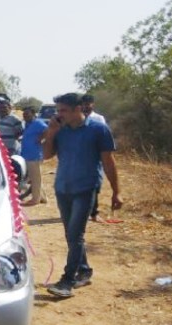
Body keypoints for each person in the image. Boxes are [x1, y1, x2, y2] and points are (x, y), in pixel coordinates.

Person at [43, 92, 123, 298]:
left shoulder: (98, 129)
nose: (59, 114)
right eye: (57, 110)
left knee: (75, 235)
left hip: (85, 188)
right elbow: (46, 155)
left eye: (63, 110)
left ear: (78, 109)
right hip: (62, 188)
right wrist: (51, 133)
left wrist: (116, 192)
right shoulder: (60, 130)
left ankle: (67, 281)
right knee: (71, 235)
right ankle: (84, 270)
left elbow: (108, 162)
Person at [82, 94, 107, 221]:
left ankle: (94, 213)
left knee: (95, 185)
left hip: (95, 156)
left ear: (93, 104)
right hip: (81, 156)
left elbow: (103, 136)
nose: (86, 106)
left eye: (88, 104)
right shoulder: (77, 119)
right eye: (83, 104)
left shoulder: (99, 119)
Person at [20, 106, 48, 206]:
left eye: (27, 114)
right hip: (27, 154)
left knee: (35, 179)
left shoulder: (38, 123)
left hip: (34, 155)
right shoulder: (27, 124)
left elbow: (48, 130)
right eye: (24, 114)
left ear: (33, 114)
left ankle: (35, 199)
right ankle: (42, 197)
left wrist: (40, 138)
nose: (25, 116)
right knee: (35, 177)